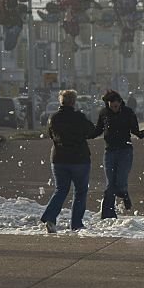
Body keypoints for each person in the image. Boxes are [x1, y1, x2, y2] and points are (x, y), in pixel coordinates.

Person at [40, 89, 98, 233]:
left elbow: (51, 135)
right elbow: (91, 132)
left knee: (60, 190)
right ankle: (76, 224)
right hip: (79, 159)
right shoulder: (79, 117)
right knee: (80, 191)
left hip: (58, 158)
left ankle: (50, 218)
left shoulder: (54, 118)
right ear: (73, 102)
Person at [95, 89, 144, 219]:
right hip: (110, 151)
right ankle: (108, 216)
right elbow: (98, 130)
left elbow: (134, 129)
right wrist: (85, 134)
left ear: (120, 102)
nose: (114, 108)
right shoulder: (104, 114)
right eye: (111, 105)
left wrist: (141, 134)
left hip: (125, 151)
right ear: (107, 104)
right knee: (110, 185)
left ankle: (124, 194)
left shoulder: (128, 113)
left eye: (116, 105)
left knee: (120, 181)